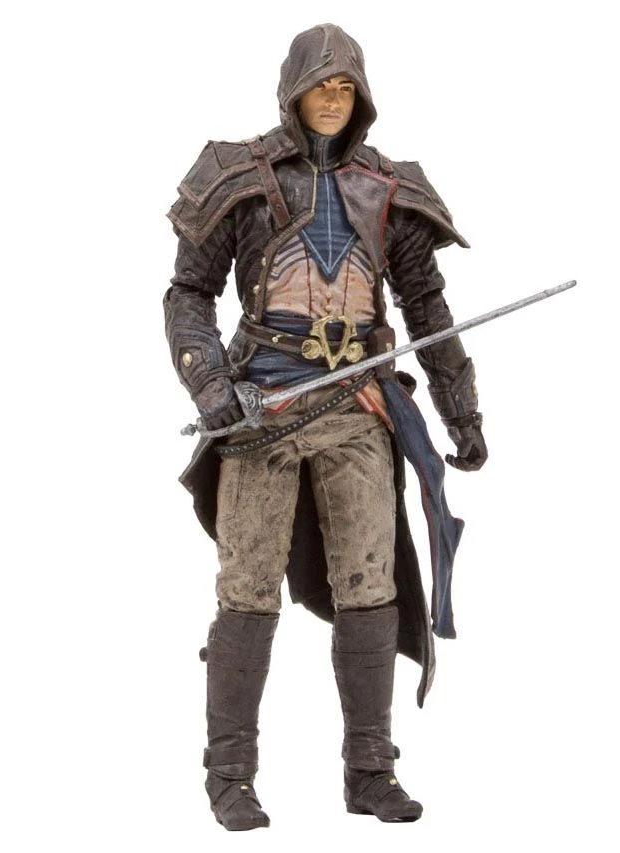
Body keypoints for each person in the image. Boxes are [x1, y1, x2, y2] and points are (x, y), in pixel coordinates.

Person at [164, 23, 487, 831]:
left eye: (346, 88)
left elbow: (428, 310)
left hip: (357, 410)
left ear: (362, 96)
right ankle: (230, 775)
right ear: (294, 91)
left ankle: (370, 768)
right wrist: (211, 384)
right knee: (247, 588)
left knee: (370, 583)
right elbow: (188, 294)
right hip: (261, 414)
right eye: (322, 87)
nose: (334, 100)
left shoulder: (388, 188)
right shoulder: (239, 178)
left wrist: (462, 409)